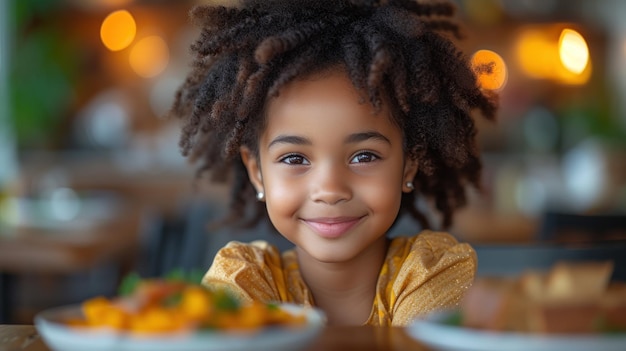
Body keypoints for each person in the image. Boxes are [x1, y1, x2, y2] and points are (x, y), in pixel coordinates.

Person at [169, 0, 497, 326]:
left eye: (364, 156)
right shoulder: (243, 279)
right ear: (257, 173)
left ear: (408, 165)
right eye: (295, 158)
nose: (329, 190)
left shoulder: (433, 272)